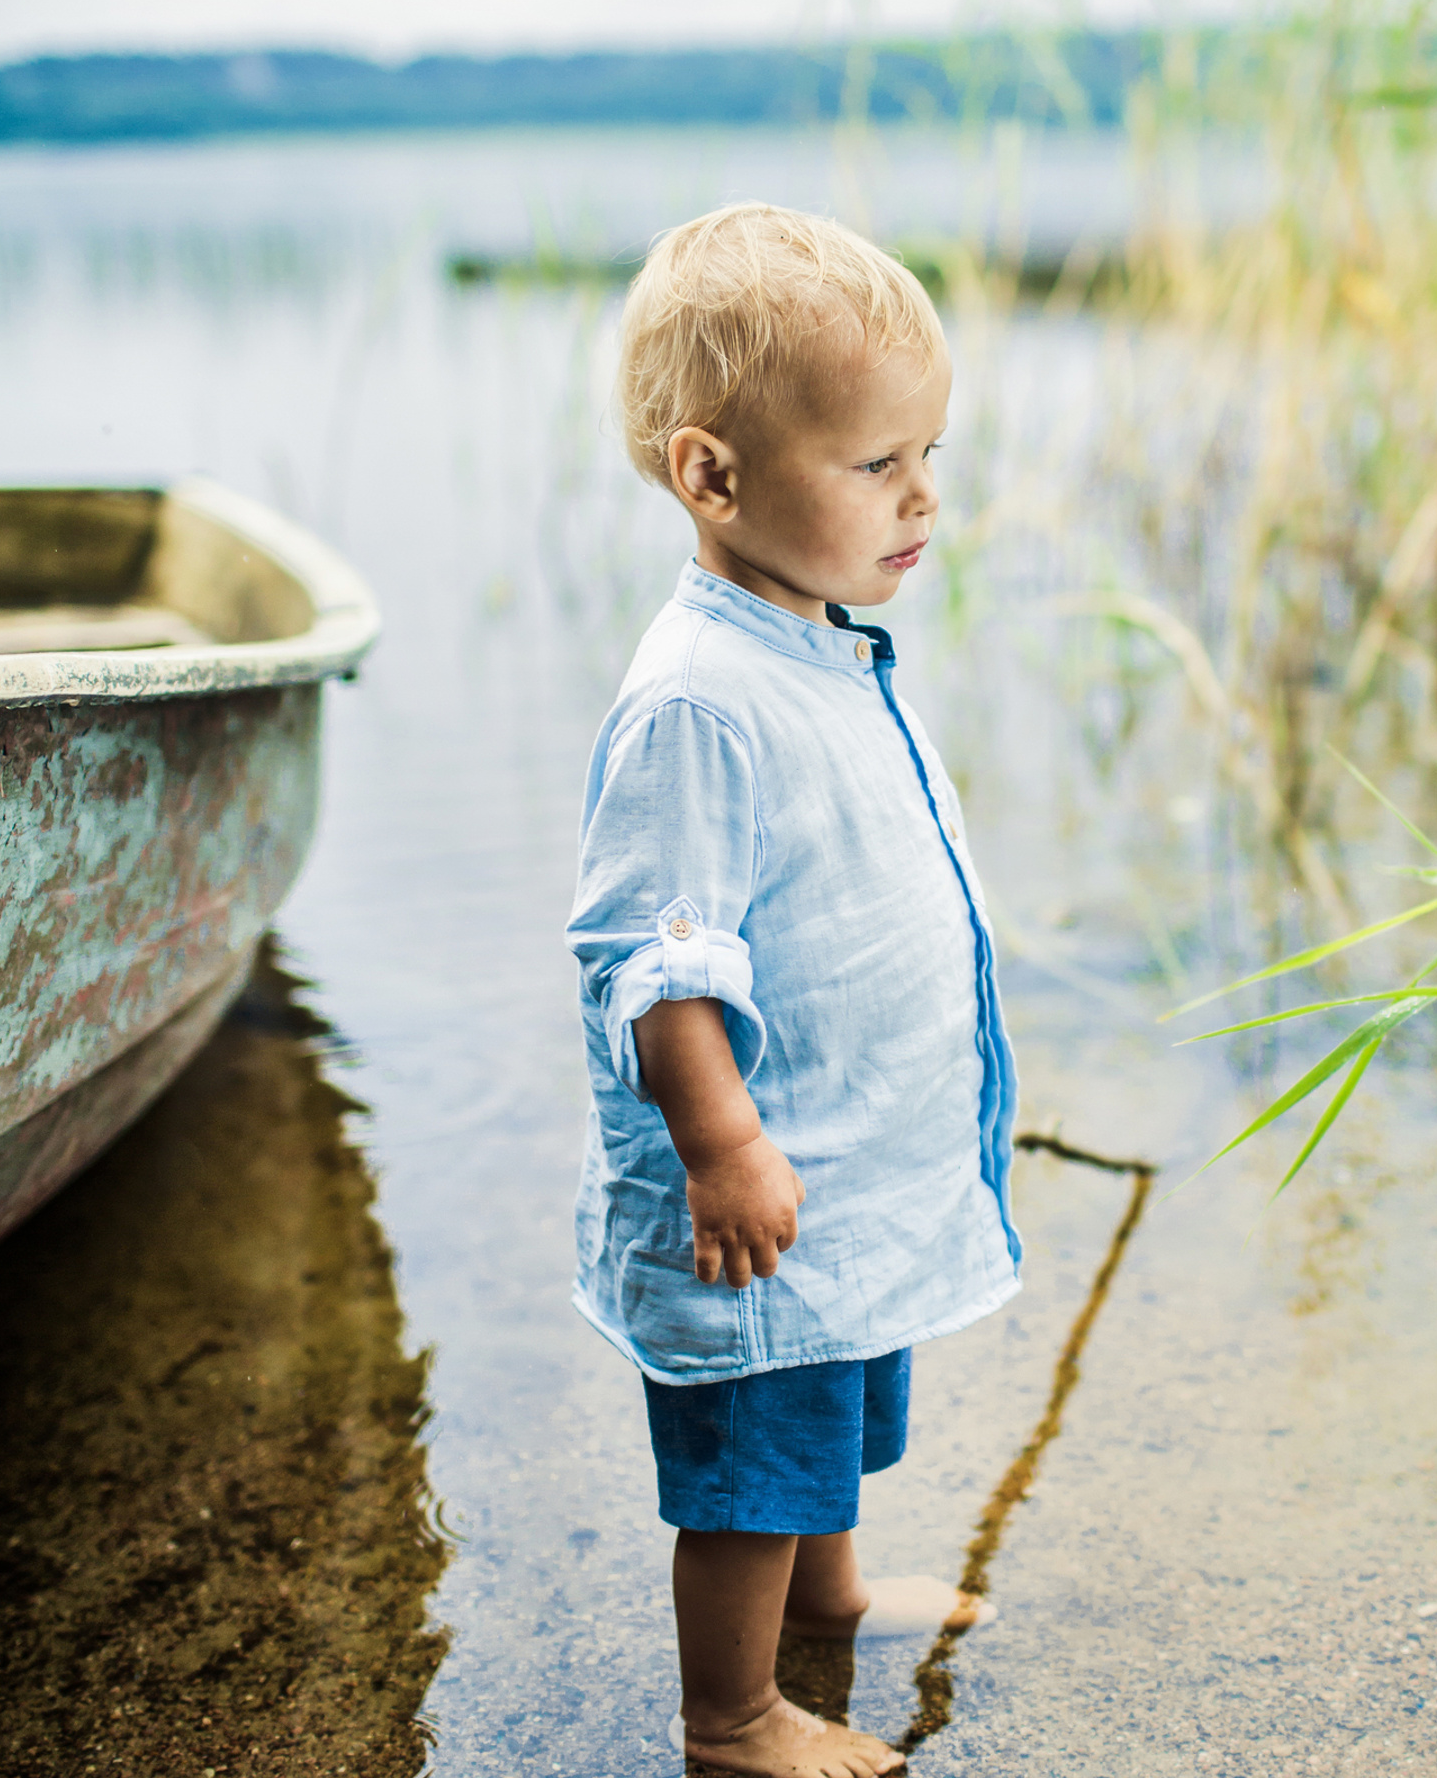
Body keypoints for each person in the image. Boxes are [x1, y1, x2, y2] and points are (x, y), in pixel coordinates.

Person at [564, 203, 1024, 1778]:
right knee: (751, 1456)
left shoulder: (809, 636)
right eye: (878, 464)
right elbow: (653, 961)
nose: (924, 498)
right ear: (714, 476)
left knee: (830, 1392)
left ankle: (827, 1598)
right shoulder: (700, 700)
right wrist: (723, 1146)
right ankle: (735, 1714)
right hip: (762, 1173)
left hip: (840, 1154)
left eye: (927, 454)